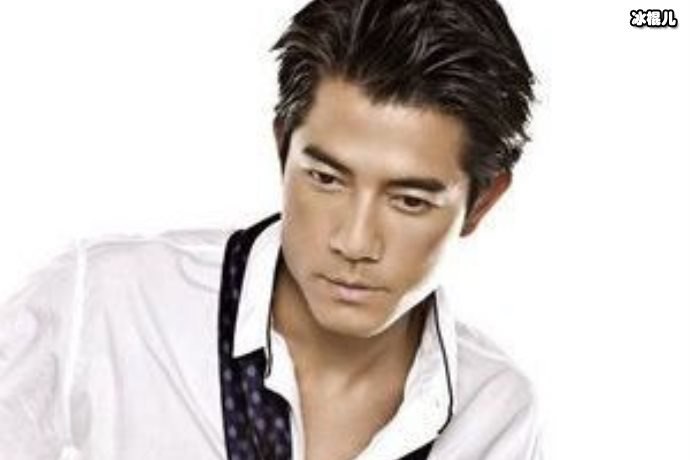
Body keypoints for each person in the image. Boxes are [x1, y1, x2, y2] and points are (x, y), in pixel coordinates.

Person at [0, 0, 540, 459]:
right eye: (326, 178)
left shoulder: (495, 411)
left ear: (481, 203)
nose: (354, 242)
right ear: (283, 148)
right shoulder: (108, 302)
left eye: (409, 201)